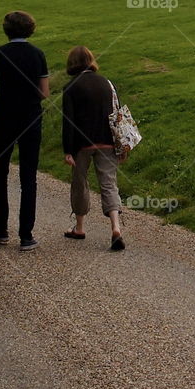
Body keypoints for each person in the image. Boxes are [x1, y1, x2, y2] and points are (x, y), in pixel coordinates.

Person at [0, 11, 49, 251]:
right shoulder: (38, 55)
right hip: (31, 117)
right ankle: (26, 234)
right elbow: (45, 92)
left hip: (4, 117)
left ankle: (1, 228)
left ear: (6, 30)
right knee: (28, 175)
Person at [61, 46, 125, 251]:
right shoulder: (107, 83)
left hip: (82, 143)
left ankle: (79, 227)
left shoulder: (71, 87)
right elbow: (118, 114)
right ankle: (115, 227)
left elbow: (68, 121)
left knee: (80, 182)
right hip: (107, 140)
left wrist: (68, 150)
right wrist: (121, 144)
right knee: (108, 183)